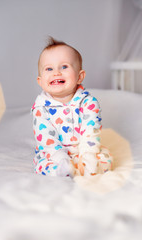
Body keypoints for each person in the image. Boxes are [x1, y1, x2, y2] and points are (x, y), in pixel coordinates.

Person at [31, 37, 113, 177]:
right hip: (54, 152)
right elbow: (45, 138)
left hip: (84, 149)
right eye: (49, 68)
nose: (56, 72)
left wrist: (88, 156)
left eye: (64, 67)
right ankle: (61, 170)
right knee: (42, 163)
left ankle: (88, 169)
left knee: (106, 159)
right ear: (40, 81)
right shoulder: (40, 107)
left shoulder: (87, 102)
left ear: (79, 77)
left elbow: (91, 130)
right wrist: (61, 158)